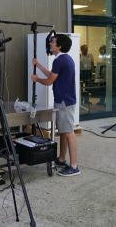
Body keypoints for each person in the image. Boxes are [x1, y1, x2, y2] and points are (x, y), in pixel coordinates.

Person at [31, 34, 80, 176]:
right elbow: (52, 75)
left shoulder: (60, 61)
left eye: (53, 42)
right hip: (65, 100)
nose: (50, 44)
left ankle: (74, 166)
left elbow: (48, 81)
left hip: (64, 102)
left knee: (69, 132)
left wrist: (36, 79)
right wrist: (39, 65)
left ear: (59, 46)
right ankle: (62, 159)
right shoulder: (64, 59)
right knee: (64, 131)